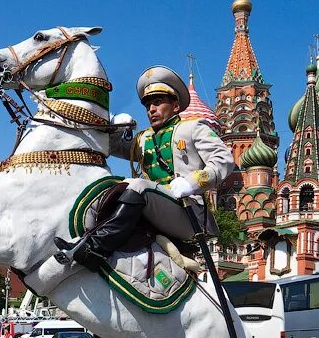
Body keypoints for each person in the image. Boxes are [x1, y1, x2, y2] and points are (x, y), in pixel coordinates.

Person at [55, 66, 235, 272]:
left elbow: (224, 160)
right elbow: (114, 147)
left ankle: (95, 249)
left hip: (188, 213)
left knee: (137, 185)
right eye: (148, 104)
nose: (151, 109)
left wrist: (192, 182)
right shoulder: (144, 138)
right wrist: (116, 130)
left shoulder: (193, 128)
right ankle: (86, 240)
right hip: (153, 208)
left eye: (158, 103)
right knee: (113, 186)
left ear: (176, 106)